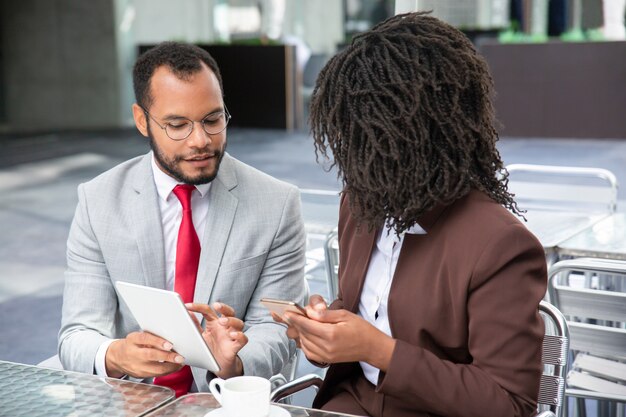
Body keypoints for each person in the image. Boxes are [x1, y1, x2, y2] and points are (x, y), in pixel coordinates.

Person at [280, 12, 547, 417]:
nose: (357, 159)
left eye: (373, 141)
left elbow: (509, 404)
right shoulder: (360, 204)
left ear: (426, 136)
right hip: (351, 403)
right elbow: (369, 308)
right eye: (352, 141)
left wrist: (379, 350)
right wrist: (325, 327)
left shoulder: (500, 246)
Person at [58, 42, 307, 396]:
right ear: (142, 120)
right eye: (178, 125)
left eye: (213, 119)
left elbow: (278, 330)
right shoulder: (98, 201)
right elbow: (77, 335)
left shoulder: (277, 204)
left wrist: (233, 363)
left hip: (223, 402)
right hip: (131, 400)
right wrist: (116, 355)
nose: (201, 140)